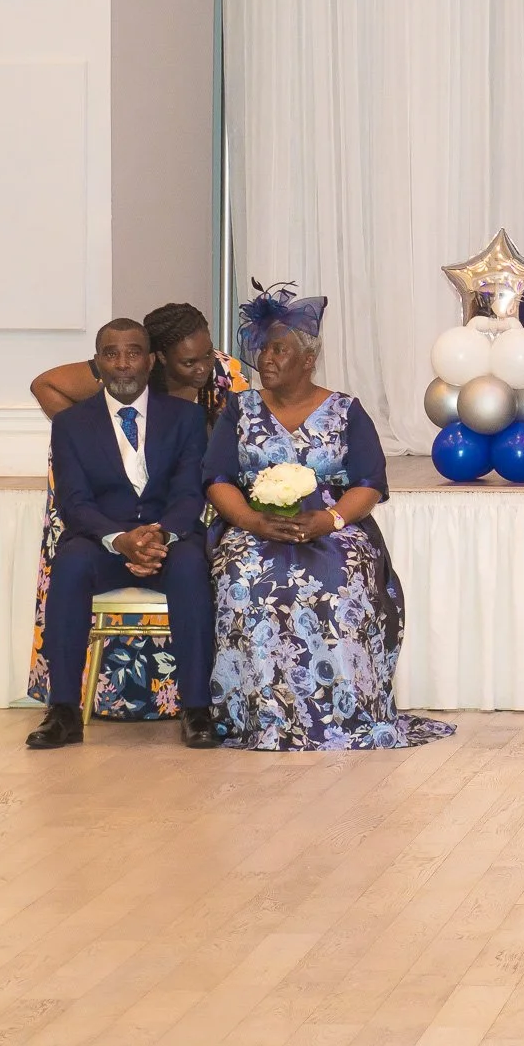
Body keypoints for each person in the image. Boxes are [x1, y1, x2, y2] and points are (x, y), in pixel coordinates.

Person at [203, 283, 453, 751]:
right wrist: (252, 522)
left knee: (341, 577)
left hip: (333, 527)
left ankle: (346, 710)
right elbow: (217, 479)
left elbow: (369, 483)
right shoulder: (239, 409)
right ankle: (257, 713)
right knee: (242, 573)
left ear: (308, 360)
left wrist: (332, 520)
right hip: (253, 526)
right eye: (263, 350)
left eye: (279, 350)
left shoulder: (346, 410)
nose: (266, 359)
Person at [26, 304, 248, 719]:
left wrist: (160, 536)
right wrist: (120, 539)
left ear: (150, 361)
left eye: (133, 354)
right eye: (111, 354)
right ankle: (63, 712)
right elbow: (75, 502)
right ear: (98, 363)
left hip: (168, 541)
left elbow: (189, 493)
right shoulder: (72, 424)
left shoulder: (187, 418)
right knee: (70, 564)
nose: (123, 364)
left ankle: (197, 712)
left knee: (191, 567)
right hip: (103, 542)